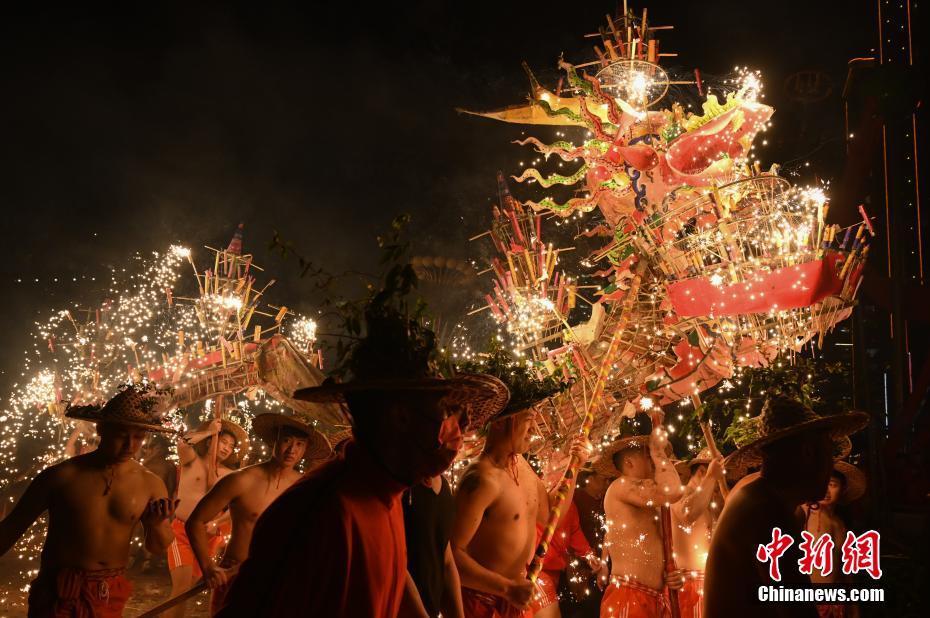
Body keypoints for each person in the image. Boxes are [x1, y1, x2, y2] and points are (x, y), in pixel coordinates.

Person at [215, 293, 511, 617]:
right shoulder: (322, 512)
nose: (461, 431)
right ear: (400, 416)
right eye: (450, 412)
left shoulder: (391, 495)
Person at [0, 383, 177, 617]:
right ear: (101, 429)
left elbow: (156, 547)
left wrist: (155, 525)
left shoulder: (150, 483)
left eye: (138, 437)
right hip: (59, 592)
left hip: (109, 594)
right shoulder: (61, 476)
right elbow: (12, 528)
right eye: (122, 435)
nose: (130, 445)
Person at [704, 397, 868, 618]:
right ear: (808, 453)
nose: (830, 469)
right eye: (829, 456)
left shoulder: (763, 500)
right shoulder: (766, 511)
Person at [452, 403, 590, 618]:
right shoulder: (480, 479)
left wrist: (575, 467)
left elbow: (549, 517)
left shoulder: (521, 465)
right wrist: (506, 588)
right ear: (501, 422)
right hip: (481, 604)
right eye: (528, 419)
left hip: (514, 600)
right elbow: (450, 556)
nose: (535, 428)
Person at [186, 413, 332, 615]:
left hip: (279, 579)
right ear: (275, 440)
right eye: (287, 440)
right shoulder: (242, 480)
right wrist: (208, 567)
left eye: (299, 444)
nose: (292, 449)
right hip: (234, 576)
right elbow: (195, 521)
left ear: (306, 449)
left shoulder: (305, 487)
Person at [596, 421, 685, 618]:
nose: (652, 460)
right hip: (630, 596)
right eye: (646, 455)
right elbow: (673, 491)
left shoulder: (647, 498)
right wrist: (658, 451)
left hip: (653, 598)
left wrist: (671, 575)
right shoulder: (622, 486)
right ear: (629, 462)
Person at [166, 417, 248, 617]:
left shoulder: (230, 475)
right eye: (223, 441)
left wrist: (217, 522)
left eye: (231, 445)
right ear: (212, 440)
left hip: (207, 537)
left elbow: (239, 507)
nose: (227, 448)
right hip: (181, 532)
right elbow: (182, 442)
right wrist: (210, 431)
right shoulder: (191, 460)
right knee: (181, 588)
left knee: (186, 592)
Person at [803, 460, 867, 618]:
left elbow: (845, 570)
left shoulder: (839, 523)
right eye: (821, 483)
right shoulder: (805, 511)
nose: (825, 490)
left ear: (843, 489)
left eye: (832, 484)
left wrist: (853, 608)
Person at [670, 448, 725, 618]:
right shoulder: (680, 495)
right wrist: (711, 477)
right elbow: (688, 514)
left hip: (709, 584)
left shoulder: (709, 502)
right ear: (702, 472)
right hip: (689, 586)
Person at [403, 473, 464, 618]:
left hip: (431, 610)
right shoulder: (402, 486)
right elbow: (395, 563)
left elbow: (446, 559)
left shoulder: (444, 486)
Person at [564, 467, 611, 618]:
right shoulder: (575, 498)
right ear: (589, 478)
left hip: (596, 566)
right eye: (604, 479)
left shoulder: (606, 501)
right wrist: (574, 569)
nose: (607, 484)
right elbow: (571, 533)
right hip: (577, 569)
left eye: (609, 480)